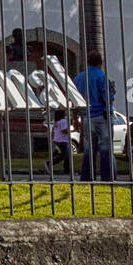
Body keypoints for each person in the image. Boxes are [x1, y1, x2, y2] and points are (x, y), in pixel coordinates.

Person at [75, 51, 115, 182]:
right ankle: (107, 177)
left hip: (86, 117)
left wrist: (75, 119)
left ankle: (87, 177)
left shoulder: (79, 78)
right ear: (100, 63)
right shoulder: (101, 77)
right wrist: (112, 92)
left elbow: (74, 100)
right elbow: (107, 99)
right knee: (105, 148)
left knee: (88, 148)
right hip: (101, 116)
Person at [47, 108, 72, 176]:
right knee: (65, 156)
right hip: (62, 140)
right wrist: (71, 131)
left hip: (57, 140)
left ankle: (67, 170)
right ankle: (49, 163)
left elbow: (53, 132)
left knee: (65, 155)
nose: (66, 112)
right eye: (64, 111)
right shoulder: (63, 121)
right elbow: (64, 131)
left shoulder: (56, 122)